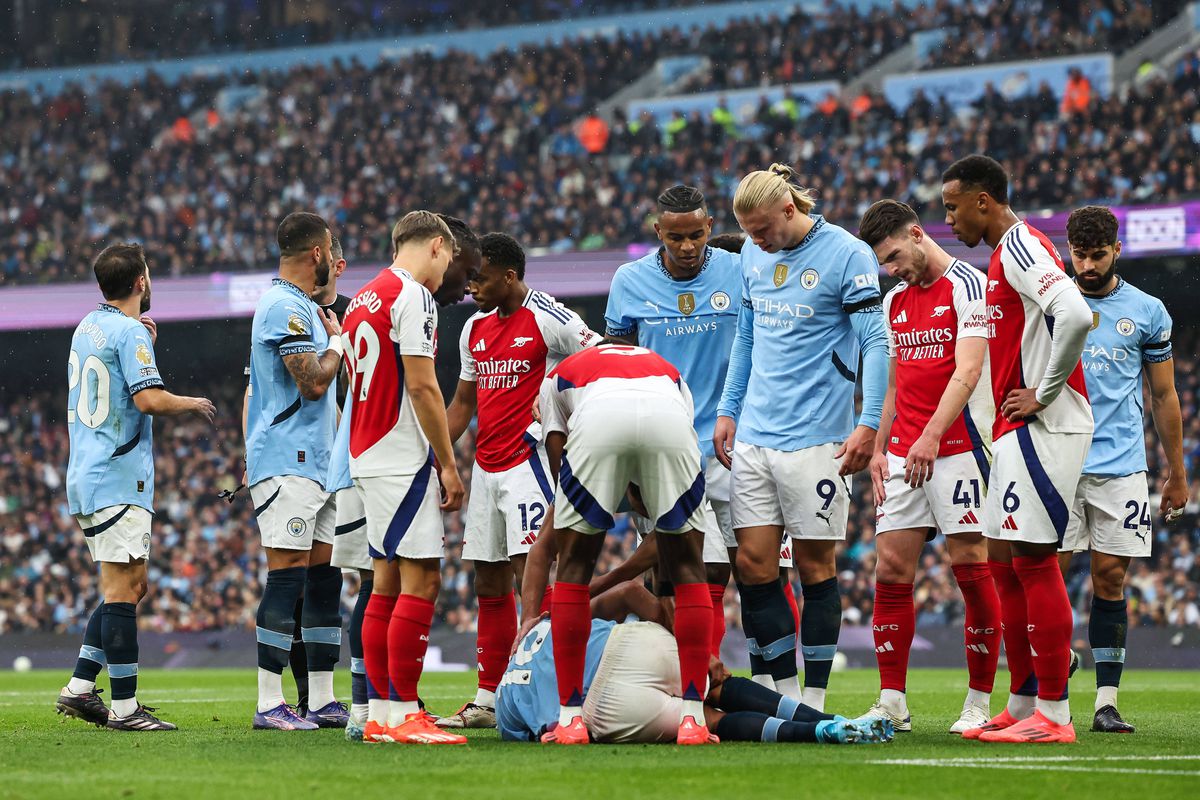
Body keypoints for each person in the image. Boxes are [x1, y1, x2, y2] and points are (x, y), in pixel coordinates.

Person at [713, 164, 889, 710]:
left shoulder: (847, 254)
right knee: (754, 564)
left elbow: (877, 342)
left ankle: (813, 697)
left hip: (818, 439)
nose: (757, 240)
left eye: (764, 229)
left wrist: (870, 422)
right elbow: (746, 336)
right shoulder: (750, 253)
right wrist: (728, 409)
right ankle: (783, 694)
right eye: (749, 231)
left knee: (814, 567)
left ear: (791, 209)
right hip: (755, 437)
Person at [604, 186, 794, 668]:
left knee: (761, 570)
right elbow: (616, 371)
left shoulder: (744, 267)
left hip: (742, 444)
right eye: (675, 238)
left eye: (695, 235)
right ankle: (701, 683)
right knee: (688, 575)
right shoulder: (630, 280)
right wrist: (628, 464)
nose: (687, 247)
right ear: (657, 233)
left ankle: (778, 681)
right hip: (665, 452)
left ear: (710, 227)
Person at [941, 154, 1093, 744]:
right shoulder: (1006, 253)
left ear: (984, 200)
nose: (949, 219)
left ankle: (1054, 717)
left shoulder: (1022, 245)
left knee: (1032, 560)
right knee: (1003, 561)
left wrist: (1044, 393)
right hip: (1015, 428)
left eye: (953, 206)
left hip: (1043, 427)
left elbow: (1076, 313)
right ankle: (1025, 698)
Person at [438, 233, 598, 729]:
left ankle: (549, 692)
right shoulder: (474, 327)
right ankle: (489, 697)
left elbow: (597, 360)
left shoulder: (550, 316)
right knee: (487, 577)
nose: (471, 288)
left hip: (528, 462)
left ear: (509, 275)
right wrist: (436, 454)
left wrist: (564, 415)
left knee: (528, 576)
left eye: (480, 278)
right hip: (485, 466)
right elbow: (464, 402)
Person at [56, 243, 215, 731]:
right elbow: (146, 400)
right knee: (123, 590)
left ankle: (81, 687)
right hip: (116, 476)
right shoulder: (129, 332)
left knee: (131, 585)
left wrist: (141, 341)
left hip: (91, 470)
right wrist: (192, 403)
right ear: (141, 282)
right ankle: (125, 709)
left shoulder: (90, 326)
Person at [855, 199, 1001, 734]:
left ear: (917, 235)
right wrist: (879, 448)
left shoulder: (968, 285)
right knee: (890, 571)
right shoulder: (895, 300)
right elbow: (895, 382)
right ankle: (892, 699)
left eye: (895, 255)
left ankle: (979, 701)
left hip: (959, 448)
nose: (892, 270)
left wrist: (932, 436)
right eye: (884, 264)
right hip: (902, 453)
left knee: (970, 569)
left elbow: (967, 371)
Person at [337, 216, 481, 742]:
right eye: (448, 263)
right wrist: (447, 462)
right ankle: (403, 713)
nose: (448, 279)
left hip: (366, 454)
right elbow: (422, 387)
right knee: (421, 582)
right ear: (437, 247)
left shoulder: (361, 299)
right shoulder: (413, 296)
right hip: (400, 455)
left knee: (384, 586)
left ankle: (378, 714)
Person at [537, 342, 716, 745]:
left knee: (574, 568)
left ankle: (570, 720)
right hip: (668, 419)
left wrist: (566, 508)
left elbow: (555, 443)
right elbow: (671, 437)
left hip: (599, 420)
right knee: (689, 568)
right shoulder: (667, 367)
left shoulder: (559, 375)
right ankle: (692, 720)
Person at [1058, 205, 1188, 734]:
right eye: (1080, 254)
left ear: (1117, 250)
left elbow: (1163, 394)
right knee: (1041, 573)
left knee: (1110, 579)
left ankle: (1105, 702)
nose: (1087, 265)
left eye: (1097, 255)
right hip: (1055, 463)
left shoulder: (1149, 311)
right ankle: (1055, 663)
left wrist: (1176, 471)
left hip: (1122, 467)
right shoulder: (1048, 301)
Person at [245, 212, 344, 731]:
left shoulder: (303, 305)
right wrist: (339, 343)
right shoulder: (282, 305)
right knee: (285, 578)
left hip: (319, 463)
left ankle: (322, 700)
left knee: (324, 580)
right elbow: (311, 382)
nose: (334, 258)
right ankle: (268, 703)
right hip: (288, 461)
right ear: (317, 254)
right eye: (332, 250)